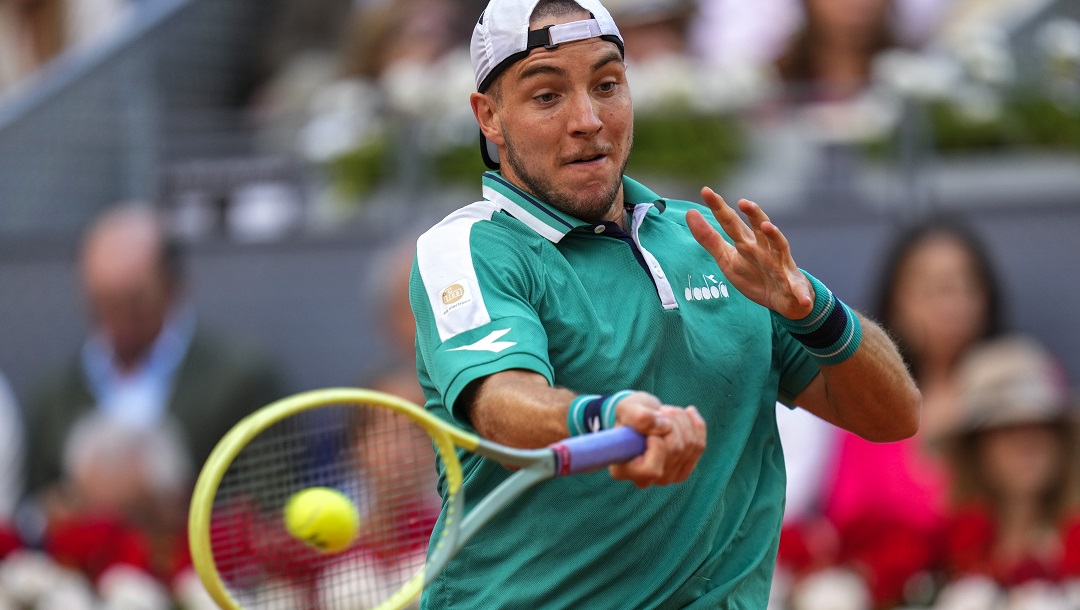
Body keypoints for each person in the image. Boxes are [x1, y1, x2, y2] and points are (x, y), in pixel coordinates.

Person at [407, 0, 920, 606]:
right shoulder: (468, 247)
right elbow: (500, 404)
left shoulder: (713, 241)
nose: (588, 119)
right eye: (547, 96)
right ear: (488, 116)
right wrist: (607, 421)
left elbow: (894, 417)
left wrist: (814, 312)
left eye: (607, 85)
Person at [23, 204, 284, 582]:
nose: (117, 321)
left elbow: (267, 507)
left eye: (133, 302)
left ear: (173, 287)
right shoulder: (54, 395)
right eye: (101, 304)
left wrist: (171, 515)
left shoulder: (242, 378)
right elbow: (32, 512)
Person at [789, 217, 1004, 607]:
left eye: (965, 284)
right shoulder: (867, 399)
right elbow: (845, 513)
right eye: (931, 289)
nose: (952, 303)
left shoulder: (1020, 382)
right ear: (895, 300)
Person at [940, 335, 1080, 594]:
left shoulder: (1073, 541)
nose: (1028, 443)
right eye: (1006, 428)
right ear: (974, 450)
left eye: (1042, 425)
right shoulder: (942, 552)